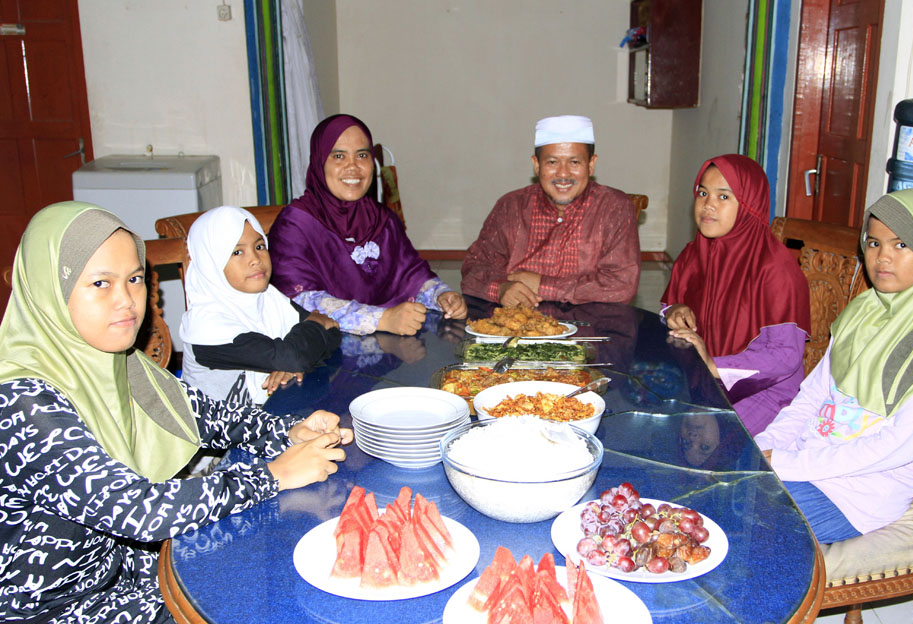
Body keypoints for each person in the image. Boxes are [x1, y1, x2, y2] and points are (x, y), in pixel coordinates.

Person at [0, 202, 354, 623]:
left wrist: (290, 431)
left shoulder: (119, 362)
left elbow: (208, 416)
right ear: (48, 292)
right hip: (60, 606)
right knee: (249, 597)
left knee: (274, 567)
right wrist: (273, 475)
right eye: (100, 283)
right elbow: (139, 510)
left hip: (124, 568)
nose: (127, 301)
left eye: (133, 279)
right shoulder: (23, 402)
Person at [754, 189, 913, 543]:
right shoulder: (865, 310)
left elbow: (896, 447)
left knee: (739, 519)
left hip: (859, 495)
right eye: (874, 244)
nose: (882, 258)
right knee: (710, 489)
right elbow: (813, 395)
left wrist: (782, 464)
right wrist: (764, 445)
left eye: (901, 244)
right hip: (804, 459)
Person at [268, 114, 466, 336]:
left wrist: (441, 296)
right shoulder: (295, 225)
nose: (353, 167)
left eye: (362, 155)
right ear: (319, 162)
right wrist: (382, 319)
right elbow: (299, 299)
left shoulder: (382, 220)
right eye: (339, 156)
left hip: (390, 349)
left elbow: (412, 276)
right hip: (322, 351)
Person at [663, 154, 810, 435]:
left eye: (724, 197)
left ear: (750, 205)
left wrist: (713, 364)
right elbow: (670, 305)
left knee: (723, 439)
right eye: (703, 193)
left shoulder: (775, 269)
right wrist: (674, 311)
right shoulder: (694, 254)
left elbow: (785, 357)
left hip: (764, 391)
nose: (708, 205)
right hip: (704, 379)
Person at [461, 115, 641, 307]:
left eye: (574, 162)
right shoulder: (511, 206)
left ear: (591, 164)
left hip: (590, 330)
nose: (563, 174)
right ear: (537, 165)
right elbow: (474, 269)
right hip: (518, 327)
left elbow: (622, 285)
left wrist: (542, 285)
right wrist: (501, 288)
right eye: (552, 162)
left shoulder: (614, 207)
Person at [181, 205, 341, 405]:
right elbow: (308, 340)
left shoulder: (268, 297)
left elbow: (333, 333)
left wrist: (292, 363)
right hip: (220, 432)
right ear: (210, 262)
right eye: (237, 252)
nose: (255, 260)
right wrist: (299, 351)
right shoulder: (205, 328)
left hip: (275, 411)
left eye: (259, 247)